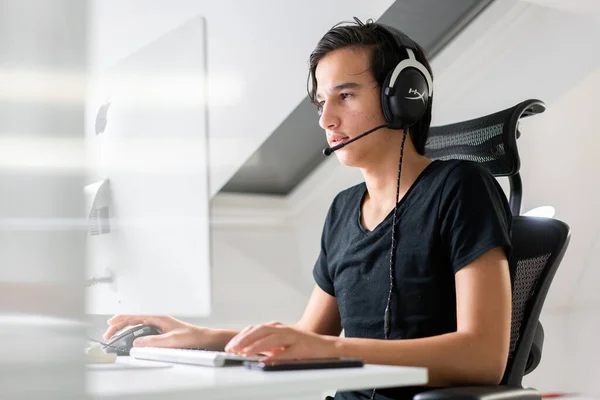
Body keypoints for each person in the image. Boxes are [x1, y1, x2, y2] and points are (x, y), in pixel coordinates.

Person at [104, 19, 513, 400]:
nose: (326, 119)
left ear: (405, 97)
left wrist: (327, 348)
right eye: (321, 102)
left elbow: (483, 358)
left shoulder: (459, 188)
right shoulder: (343, 209)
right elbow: (306, 336)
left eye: (345, 95)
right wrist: (195, 336)